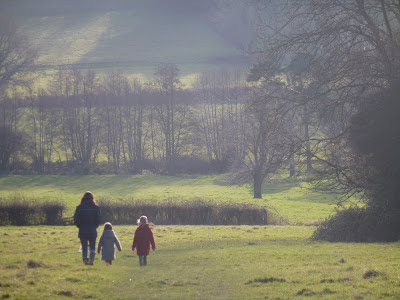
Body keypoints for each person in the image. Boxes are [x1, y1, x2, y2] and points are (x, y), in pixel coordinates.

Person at [73, 191, 101, 265]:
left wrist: (79, 226)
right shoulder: (96, 208)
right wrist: (95, 226)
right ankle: (91, 260)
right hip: (92, 230)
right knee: (92, 246)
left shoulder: (79, 207)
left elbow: (75, 219)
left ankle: (85, 260)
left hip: (83, 230)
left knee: (84, 246)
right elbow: (99, 219)